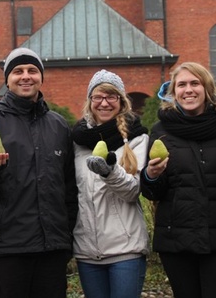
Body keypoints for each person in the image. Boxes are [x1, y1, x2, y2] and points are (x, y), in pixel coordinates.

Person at [0, 47, 78, 298]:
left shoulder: (58, 126)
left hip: (52, 249)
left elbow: (69, 189)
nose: (26, 76)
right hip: (7, 250)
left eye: (32, 70)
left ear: (41, 77)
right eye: (18, 71)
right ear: (7, 80)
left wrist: (65, 237)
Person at [140, 62, 216, 298]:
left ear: (207, 88)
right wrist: (151, 176)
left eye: (194, 83)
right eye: (182, 85)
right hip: (176, 241)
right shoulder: (161, 130)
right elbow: (152, 192)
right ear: (174, 92)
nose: (188, 90)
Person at [71, 69, 150, 298]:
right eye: (98, 96)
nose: (104, 103)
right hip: (87, 251)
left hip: (125, 250)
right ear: (90, 101)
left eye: (111, 96)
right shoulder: (77, 141)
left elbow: (134, 191)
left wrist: (110, 172)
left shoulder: (136, 139)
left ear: (121, 101)